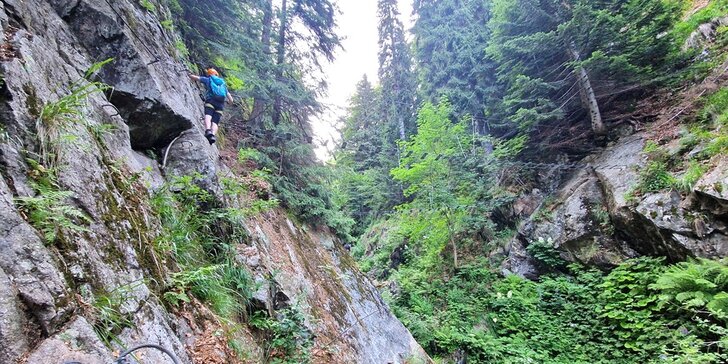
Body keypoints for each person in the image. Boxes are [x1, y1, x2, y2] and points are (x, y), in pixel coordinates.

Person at [189, 68, 234, 144]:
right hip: (220, 105)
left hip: (211, 101)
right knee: (215, 122)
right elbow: (231, 100)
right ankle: (212, 135)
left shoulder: (208, 79)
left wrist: (189, 75)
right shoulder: (223, 84)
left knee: (208, 115)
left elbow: (195, 77)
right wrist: (229, 103)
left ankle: (208, 131)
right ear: (217, 74)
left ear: (209, 74)